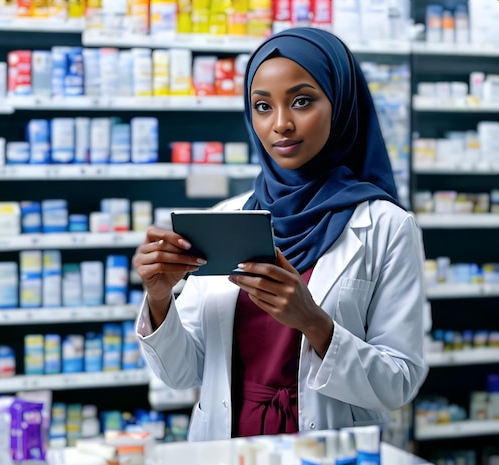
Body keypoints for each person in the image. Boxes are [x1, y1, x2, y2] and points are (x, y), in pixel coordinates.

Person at [133, 27, 428, 442]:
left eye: (302, 101)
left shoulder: (386, 226)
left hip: (326, 446)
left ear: (341, 104)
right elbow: (182, 374)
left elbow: (398, 383)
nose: (281, 124)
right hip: (228, 445)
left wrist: (315, 324)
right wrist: (160, 298)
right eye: (262, 106)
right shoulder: (227, 216)